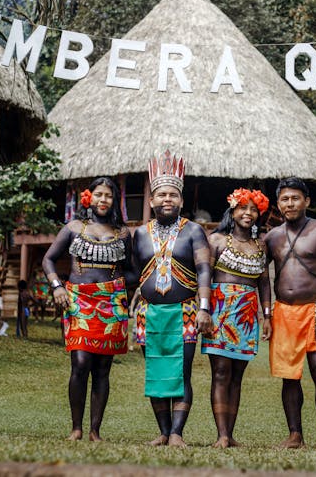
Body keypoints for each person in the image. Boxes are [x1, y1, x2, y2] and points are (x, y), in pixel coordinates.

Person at [42, 177, 134, 442]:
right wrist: (57, 286)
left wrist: (116, 287)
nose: (103, 200)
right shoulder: (73, 227)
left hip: (112, 305)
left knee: (102, 369)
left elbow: (132, 271)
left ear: (114, 201)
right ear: (88, 198)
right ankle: (76, 428)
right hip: (79, 302)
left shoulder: (123, 233)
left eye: (108, 196)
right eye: (99, 195)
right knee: (80, 363)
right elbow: (48, 259)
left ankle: (95, 430)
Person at [132, 150, 212, 448]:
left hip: (186, 311)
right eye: (161, 194)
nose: (167, 199)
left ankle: (177, 432)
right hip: (148, 312)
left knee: (181, 371)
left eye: (173, 195)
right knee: (156, 369)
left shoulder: (194, 232)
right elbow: (133, 273)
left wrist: (204, 308)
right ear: (151, 200)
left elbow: (204, 270)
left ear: (181, 200)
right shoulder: (139, 234)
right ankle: (164, 432)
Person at [264, 177, 316, 450]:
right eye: (284, 199)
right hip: (284, 312)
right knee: (289, 375)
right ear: (278, 204)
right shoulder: (272, 236)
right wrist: (265, 313)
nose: (290, 203)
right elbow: (261, 276)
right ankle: (295, 434)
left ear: (307, 201)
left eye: (295, 198)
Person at [202, 188, 272, 448]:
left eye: (254, 209)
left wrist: (267, 315)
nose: (248, 213)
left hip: (246, 313)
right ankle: (221, 435)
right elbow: (205, 277)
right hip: (219, 310)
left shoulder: (260, 245)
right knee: (221, 372)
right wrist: (204, 310)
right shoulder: (217, 240)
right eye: (243, 208)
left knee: (237, 374)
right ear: (232, 211)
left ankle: (230, 435)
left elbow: (264, 283)